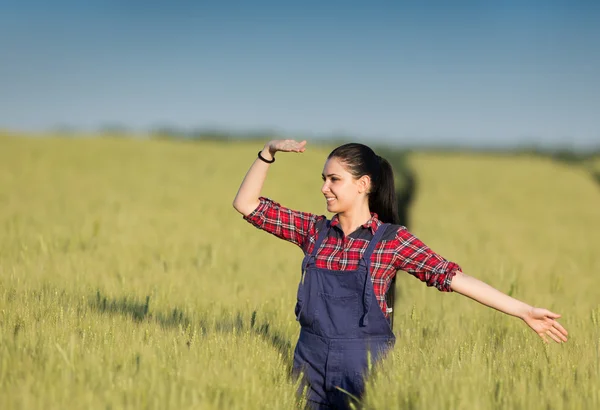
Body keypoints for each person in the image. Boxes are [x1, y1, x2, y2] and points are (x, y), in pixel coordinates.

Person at [232, 139, 569, 409]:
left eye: (334, 179)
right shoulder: (314, 231)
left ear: (363, 184)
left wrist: (523, 310)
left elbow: (451, 277)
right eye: (324, 179)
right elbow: (246, 205)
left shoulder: (392, 241)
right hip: (309, 363)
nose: (325, 188)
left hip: (365, 369)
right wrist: (268, 153)